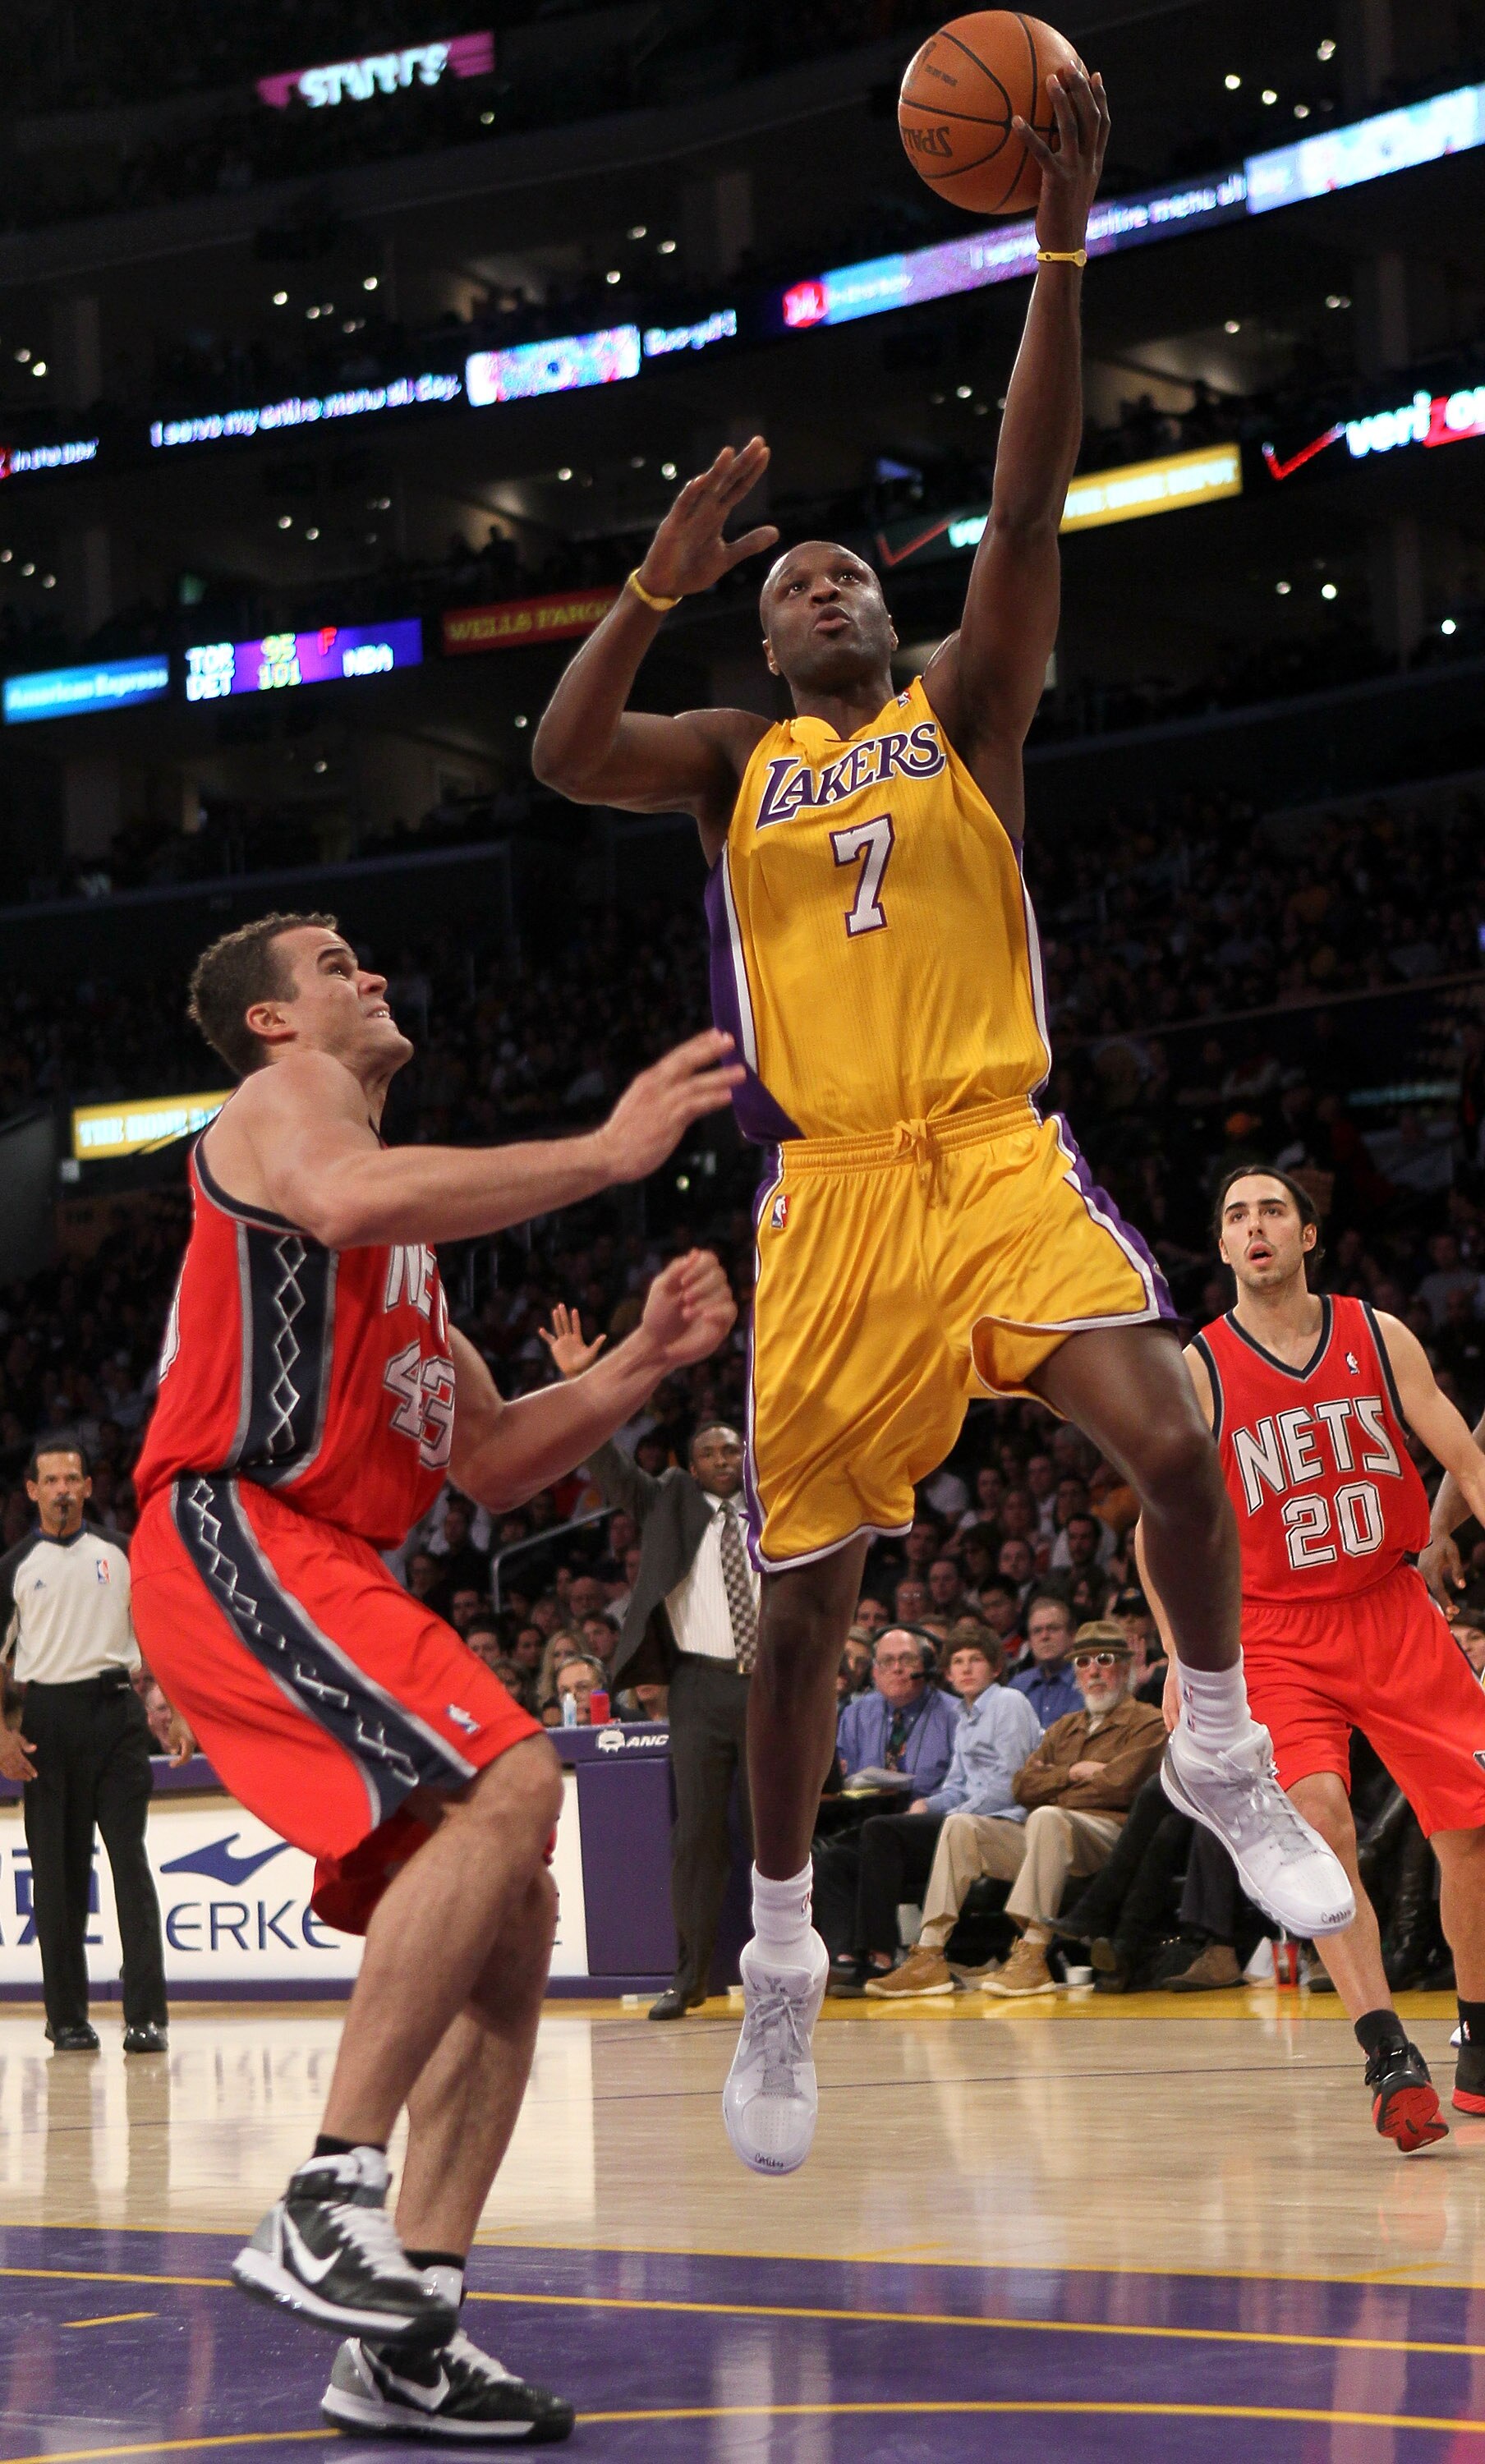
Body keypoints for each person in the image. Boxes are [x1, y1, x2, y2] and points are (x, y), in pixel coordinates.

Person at [531, 63, 1349, 2175]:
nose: (813, 587)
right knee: (803, 1604)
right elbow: (558, 753)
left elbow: (1029, 487)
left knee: (1169, 1431)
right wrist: (651, 575)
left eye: (835, 571)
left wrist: (1063, 250)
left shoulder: (965, 711)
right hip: (828, 1204)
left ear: (887, 614)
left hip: (990, 1154)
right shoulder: (725, 757)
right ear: (755, 624)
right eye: (784, 579)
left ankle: (1222, 1739)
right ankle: (788, 1953)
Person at [126, 911, 739, 2441]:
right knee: (516, 1773)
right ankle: (326, 2191)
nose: (371, 974)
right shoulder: (286, 1117)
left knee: (516, 1901)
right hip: (236, 1523)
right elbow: (338, 1200)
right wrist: (606, 1153)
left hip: (326, 1557)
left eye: (366, 959)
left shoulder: (402, 1260)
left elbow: (490, 1459)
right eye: (331, 965)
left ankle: (408, 2333)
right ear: (272, 1024)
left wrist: (635, 1368)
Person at [1146, 1165, 1485, 2149]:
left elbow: (1460, 1458)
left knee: (1467, 1829)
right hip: (1271, 1634)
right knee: (1321, 1824)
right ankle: (1384, 2050)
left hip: (1388, 1607)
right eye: (1235, 1216)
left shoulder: (1377, 1336)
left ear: (1305, 1235)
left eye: (1271, 1212)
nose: (1253, 1229)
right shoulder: (1199, 1368)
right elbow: (1155, 1526)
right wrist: (1179, 1656)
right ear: (1220, 1247)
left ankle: (1474, 2031)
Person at [545, 1301, 757, 2025]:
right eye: (713, 1453)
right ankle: (690, 1976)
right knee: (695, 1838)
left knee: (777, 1839)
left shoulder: (776, 1505)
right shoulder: (667, 1500)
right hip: (697, 1687)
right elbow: (608, 1463)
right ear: (689, 1465)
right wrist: (583, 1385)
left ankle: (787, 1968)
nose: (726, 1461)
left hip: (769, 1688)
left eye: (735, 1451)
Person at [0, 1436, 189, 2054]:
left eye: (71, 1479)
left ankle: (147, 2016)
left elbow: (161, 1634)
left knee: (129, 1865)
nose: (61, 1490)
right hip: (47, 1723)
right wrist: (3, 1734)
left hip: (116, 1716)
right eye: (49, 1480)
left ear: (87, 1486)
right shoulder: (14, 1567)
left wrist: (178, 1712)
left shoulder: (121, 1551)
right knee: (56, 1879)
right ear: (31, 1491)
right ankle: (67, 2018)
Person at [871, 1628, 1164, 2000]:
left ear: (1125, 1669)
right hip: (1050, 1833)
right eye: (1084, 1662)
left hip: (1110, 1836)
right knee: (961, 1825)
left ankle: (1033, 1952)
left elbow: (1120, 1787)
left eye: (1105, 1661)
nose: (1094, 1671)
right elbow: (1022, 1786)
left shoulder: (1148, 1723)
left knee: (1046, 1818)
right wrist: (1073, 1774)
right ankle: (929, 1951)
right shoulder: (1064, 1727)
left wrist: (1054, 1785)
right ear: (1075, 1672)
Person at [845, 1636, 1041, 1995]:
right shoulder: (964, 1717)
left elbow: (1011, 1784)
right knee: (862, 1842)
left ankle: (903, 1955)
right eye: (958, 1662)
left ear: (996, 1667)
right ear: (948, 1674)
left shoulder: (1008, 1702)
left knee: (882, 1831)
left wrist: (952, 1812)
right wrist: (927, 1807)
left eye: (976, 1659)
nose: (966, 1668)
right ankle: (862, 1958)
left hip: (1006, 1822)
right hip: (967, 1820)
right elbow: (956, 1784)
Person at [1009, 1593, 1081, 1726]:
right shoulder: (1017, 1686)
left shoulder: (1086, 1680)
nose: (1045, 1636)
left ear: (1072, 1635)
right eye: (1037, 1631)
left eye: (1053, 1629)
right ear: (1029, 1642)